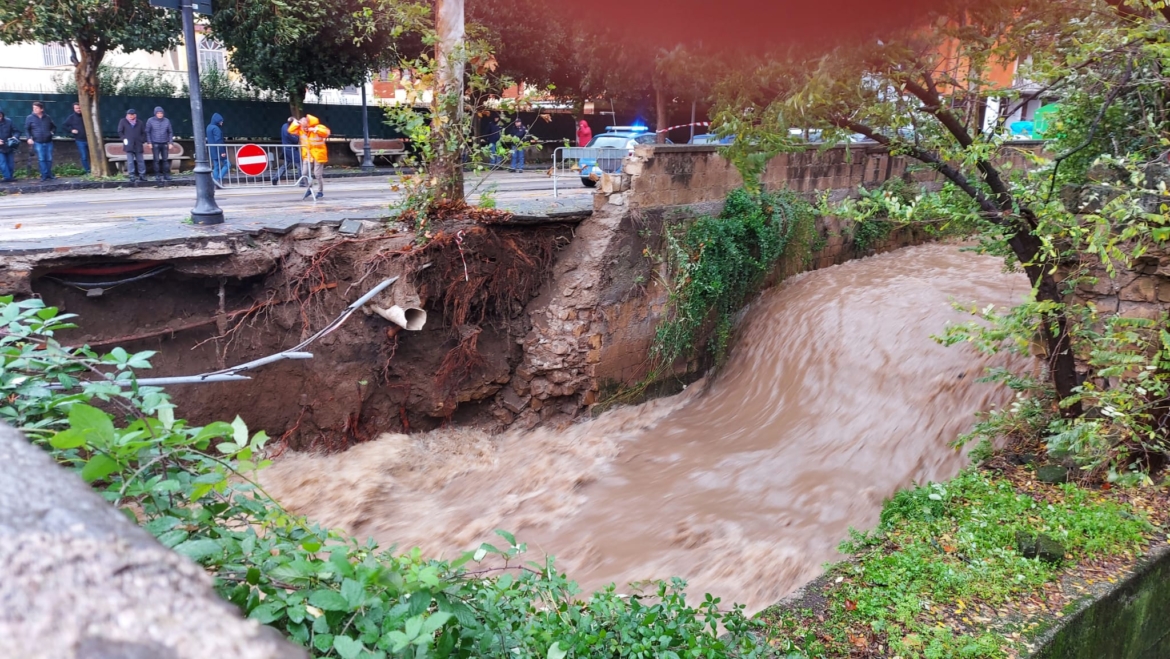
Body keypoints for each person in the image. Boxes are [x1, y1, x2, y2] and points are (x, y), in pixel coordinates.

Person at [288, 114, 331, 200]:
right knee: (304, 173)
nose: (303, 128)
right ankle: (309, 188)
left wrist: (315, 130)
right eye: (302, 126)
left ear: (309, 124)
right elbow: (290, 131)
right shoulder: (300, 129)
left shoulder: (319, 127)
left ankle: (320, 191)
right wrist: (296, 123)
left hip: (318, 154)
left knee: (317, 174)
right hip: (308, 154)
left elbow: (326, 133)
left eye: (305, 126)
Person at [24, 101, 56, 182]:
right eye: (33, 108)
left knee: (49, 158)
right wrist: (28, 138)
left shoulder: (47, 117)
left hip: (48, 141)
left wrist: (52, 132)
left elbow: (54, 127)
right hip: (38, 141)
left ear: (41, 109)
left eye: (36, 108)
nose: (34, 109)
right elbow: (27, 129)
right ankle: (44, 175)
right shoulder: (29, 118)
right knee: (41, 159)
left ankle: (49, 174)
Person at [118, 109, 148, 182]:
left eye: (132, 114)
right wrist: (124, 139)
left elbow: (144, 133)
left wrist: (142, 140)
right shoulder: (123, 121)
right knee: (130, 161)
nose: (131, 116)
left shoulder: (140, 122)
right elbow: (120, 131)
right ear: (127, 115)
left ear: (135, 115)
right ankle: (132, 175)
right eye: (129, 114)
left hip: (138, 144)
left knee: (140, 161)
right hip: (129, 144)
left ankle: (142, 175)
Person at [145, 106, 174, 182]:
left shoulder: (167, 121)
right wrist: (149, 142)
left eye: (161, 113)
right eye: (158, 113)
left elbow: (170, 132)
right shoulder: (150, 120)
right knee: (156, 160)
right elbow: (147, 132)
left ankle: (166, 174)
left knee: (165, 160)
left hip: (164, 142)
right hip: (155, 143)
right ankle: (157, 175)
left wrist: (170, 142)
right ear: (155, 113)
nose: (160, 114)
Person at [271, 116, 301, 185]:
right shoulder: (290, 130)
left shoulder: (284, 126)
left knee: (286, 165)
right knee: (300, 164)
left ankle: (275, 178)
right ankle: (302, 181)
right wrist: (298, 135)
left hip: (286, 148)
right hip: (291, 149)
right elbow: (295, 140)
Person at [62, 102, 90, 175]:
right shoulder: (71, 118)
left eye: (79, 108)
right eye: (76, 108)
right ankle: (88, 171)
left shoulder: (86, 116)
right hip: (80, 140)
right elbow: (64, 126)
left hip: (90, 139)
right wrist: (71, 130)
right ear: (74, 109)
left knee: (92, 155)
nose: (78, 109)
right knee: (84, 156)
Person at [206, 113, 228, 186]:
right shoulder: (216, 128)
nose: (222, 122)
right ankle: (219, 179)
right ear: (217, 121)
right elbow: (218, 140)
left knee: (216, 167)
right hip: (218, 150)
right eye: (221, 121)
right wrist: (222, 152)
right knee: (228, 164)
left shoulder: (209, 127)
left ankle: (215, 183)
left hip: (212, 151)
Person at [0, 110, 18, 183]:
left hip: (9, 145)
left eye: (0, 116)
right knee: (2, 163)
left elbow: (16, 131)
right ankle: (7, 177)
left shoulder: (8, 121)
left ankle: (10, 177)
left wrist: (14, 137)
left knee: (10, 163)